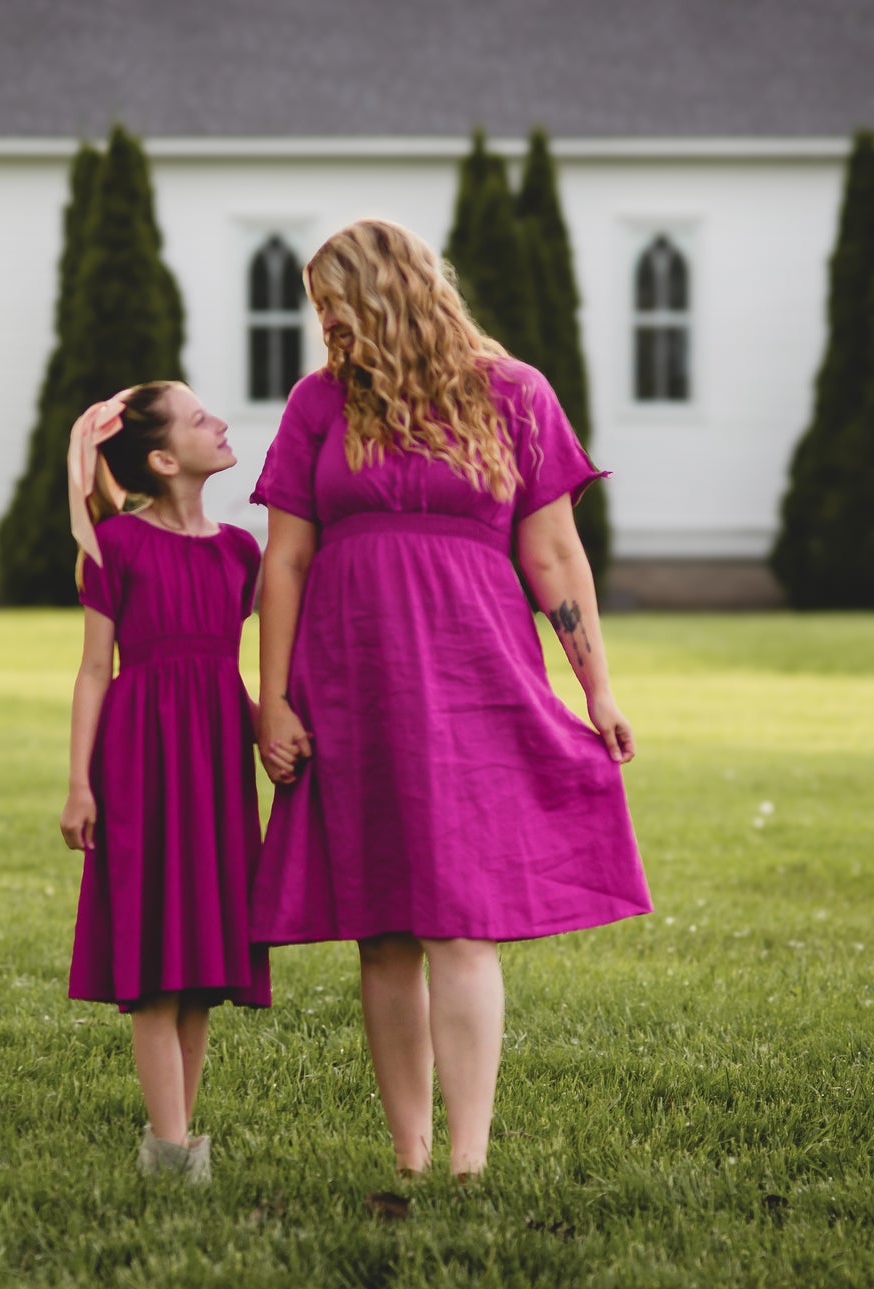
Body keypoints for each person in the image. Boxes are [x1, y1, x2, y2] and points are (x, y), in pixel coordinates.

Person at [250, 218, 653, 1179]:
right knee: (382, 927)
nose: (327, 325)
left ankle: (469, 1158)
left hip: (475, 681)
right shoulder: (319, 404)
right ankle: (412, 1154)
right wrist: (272, 700)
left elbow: (554, 554)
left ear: (389, 290)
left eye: (335, 303)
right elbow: (287, 561)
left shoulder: (514, 394)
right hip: (352, 681)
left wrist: (597, 685)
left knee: (461, 920)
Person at [59, 381, 272, 1184]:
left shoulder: (239, 552)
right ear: (161, 458)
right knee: (154, 959)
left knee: (202, 963)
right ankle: (171, 1148)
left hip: (214, 761)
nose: (219, 423)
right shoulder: (118, 546)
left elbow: (226, 669)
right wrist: (79, 783)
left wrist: (265, 727)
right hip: (142, 758)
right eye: (199, 418)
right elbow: (92, 670)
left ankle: (179, 1140)